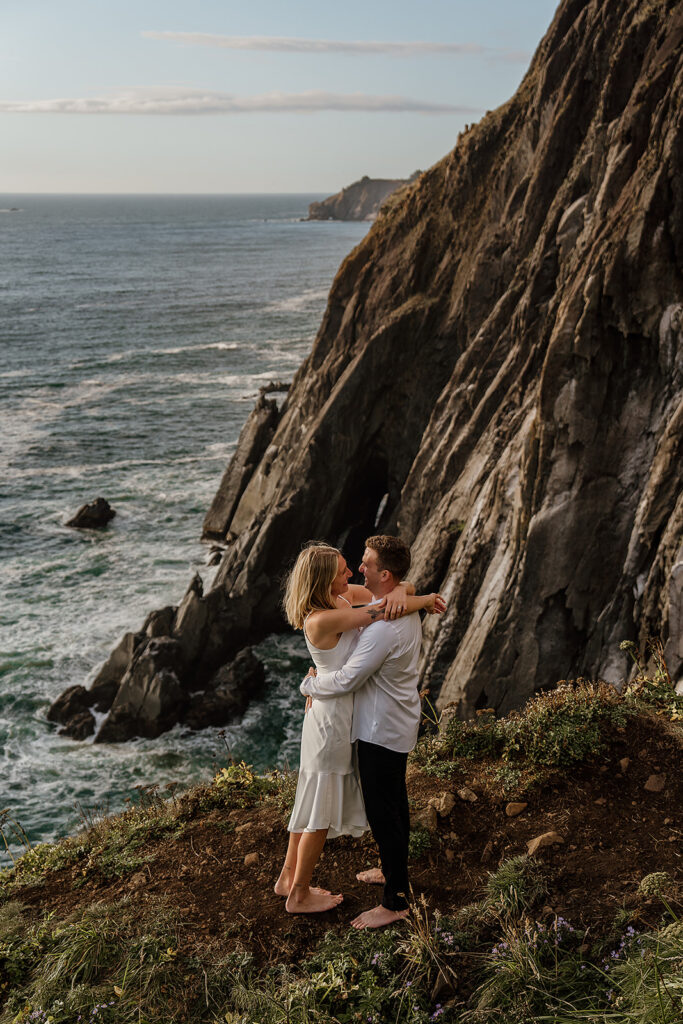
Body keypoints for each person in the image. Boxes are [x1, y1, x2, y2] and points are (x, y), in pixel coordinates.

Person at [275, 542, 443, 914]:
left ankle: (288, 876)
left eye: (352, 567)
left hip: (334, 711)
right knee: (319, 806)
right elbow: (381, 611)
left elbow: (391, 596)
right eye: (341, 571)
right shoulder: (321, 618)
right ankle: (298, 894)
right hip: (331, 718)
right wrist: (428, 598)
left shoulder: (341, 597)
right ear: (324, 580)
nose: (350, 573)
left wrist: (405, 590)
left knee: (311, 796)